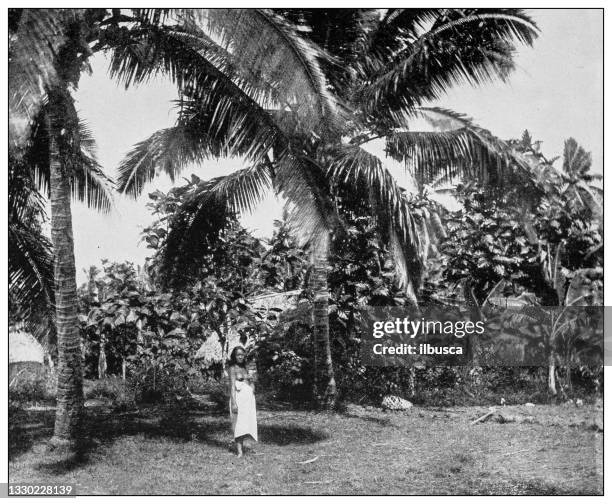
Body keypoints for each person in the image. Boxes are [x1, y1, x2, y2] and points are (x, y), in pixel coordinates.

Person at [227, 346, 258, 456]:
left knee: (246, 424)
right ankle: (239, 451)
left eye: (242, 354)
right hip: (238, 399)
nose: (240, 356)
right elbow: (231, 387)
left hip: (248, 400)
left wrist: (252, 379)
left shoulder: (247, 367)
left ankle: (243, 447)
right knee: (238, 424)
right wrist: (234, 403)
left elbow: (252, 382)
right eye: (238, 355)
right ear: (234, 356)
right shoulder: (232, 368)